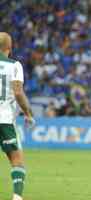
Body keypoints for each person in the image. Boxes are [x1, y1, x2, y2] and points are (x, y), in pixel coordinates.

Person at [0, 32, 35, 200]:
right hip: (4, 119)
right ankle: (17, 197)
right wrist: (28, 113)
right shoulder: (14, 65)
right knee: (17, 159)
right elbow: (18, 93)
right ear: (10, 47)